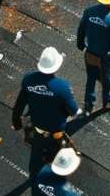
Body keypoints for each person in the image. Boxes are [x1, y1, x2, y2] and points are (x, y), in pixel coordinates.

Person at [12, 46, 80, 175]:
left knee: (37, 152)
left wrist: (16, 123)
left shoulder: (29, 80)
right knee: (55, 149)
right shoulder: (63, 87)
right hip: (56, 130)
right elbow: (73, 111)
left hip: (37, 126)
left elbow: (19, 104)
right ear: (57, 66)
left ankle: (36, 170)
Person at [76, 0, 110, 113]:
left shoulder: (88, 12)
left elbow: (81, 29)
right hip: (105, 57)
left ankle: (88, 104)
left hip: (90, 53)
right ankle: (107, 101)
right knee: (107, 80)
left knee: (91, 78)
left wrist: (80, 44)